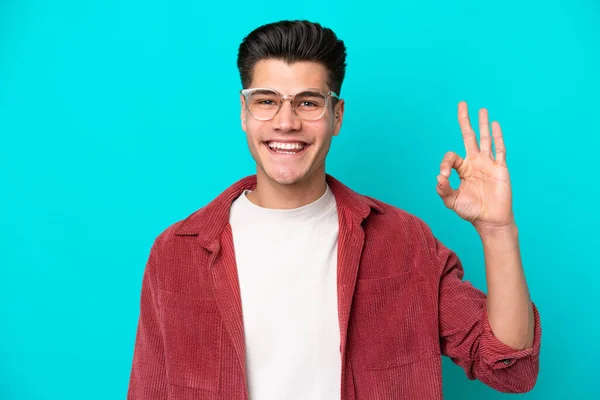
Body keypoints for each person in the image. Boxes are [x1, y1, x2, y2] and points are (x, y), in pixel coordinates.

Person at [127, 20, 541, 400]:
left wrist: (497, 230)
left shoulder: (405, 243)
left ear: (336, 115)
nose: (286, 122)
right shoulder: (176, 253)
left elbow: (508, 366)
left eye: (308, 103)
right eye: (266, 100)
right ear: (244, 112)